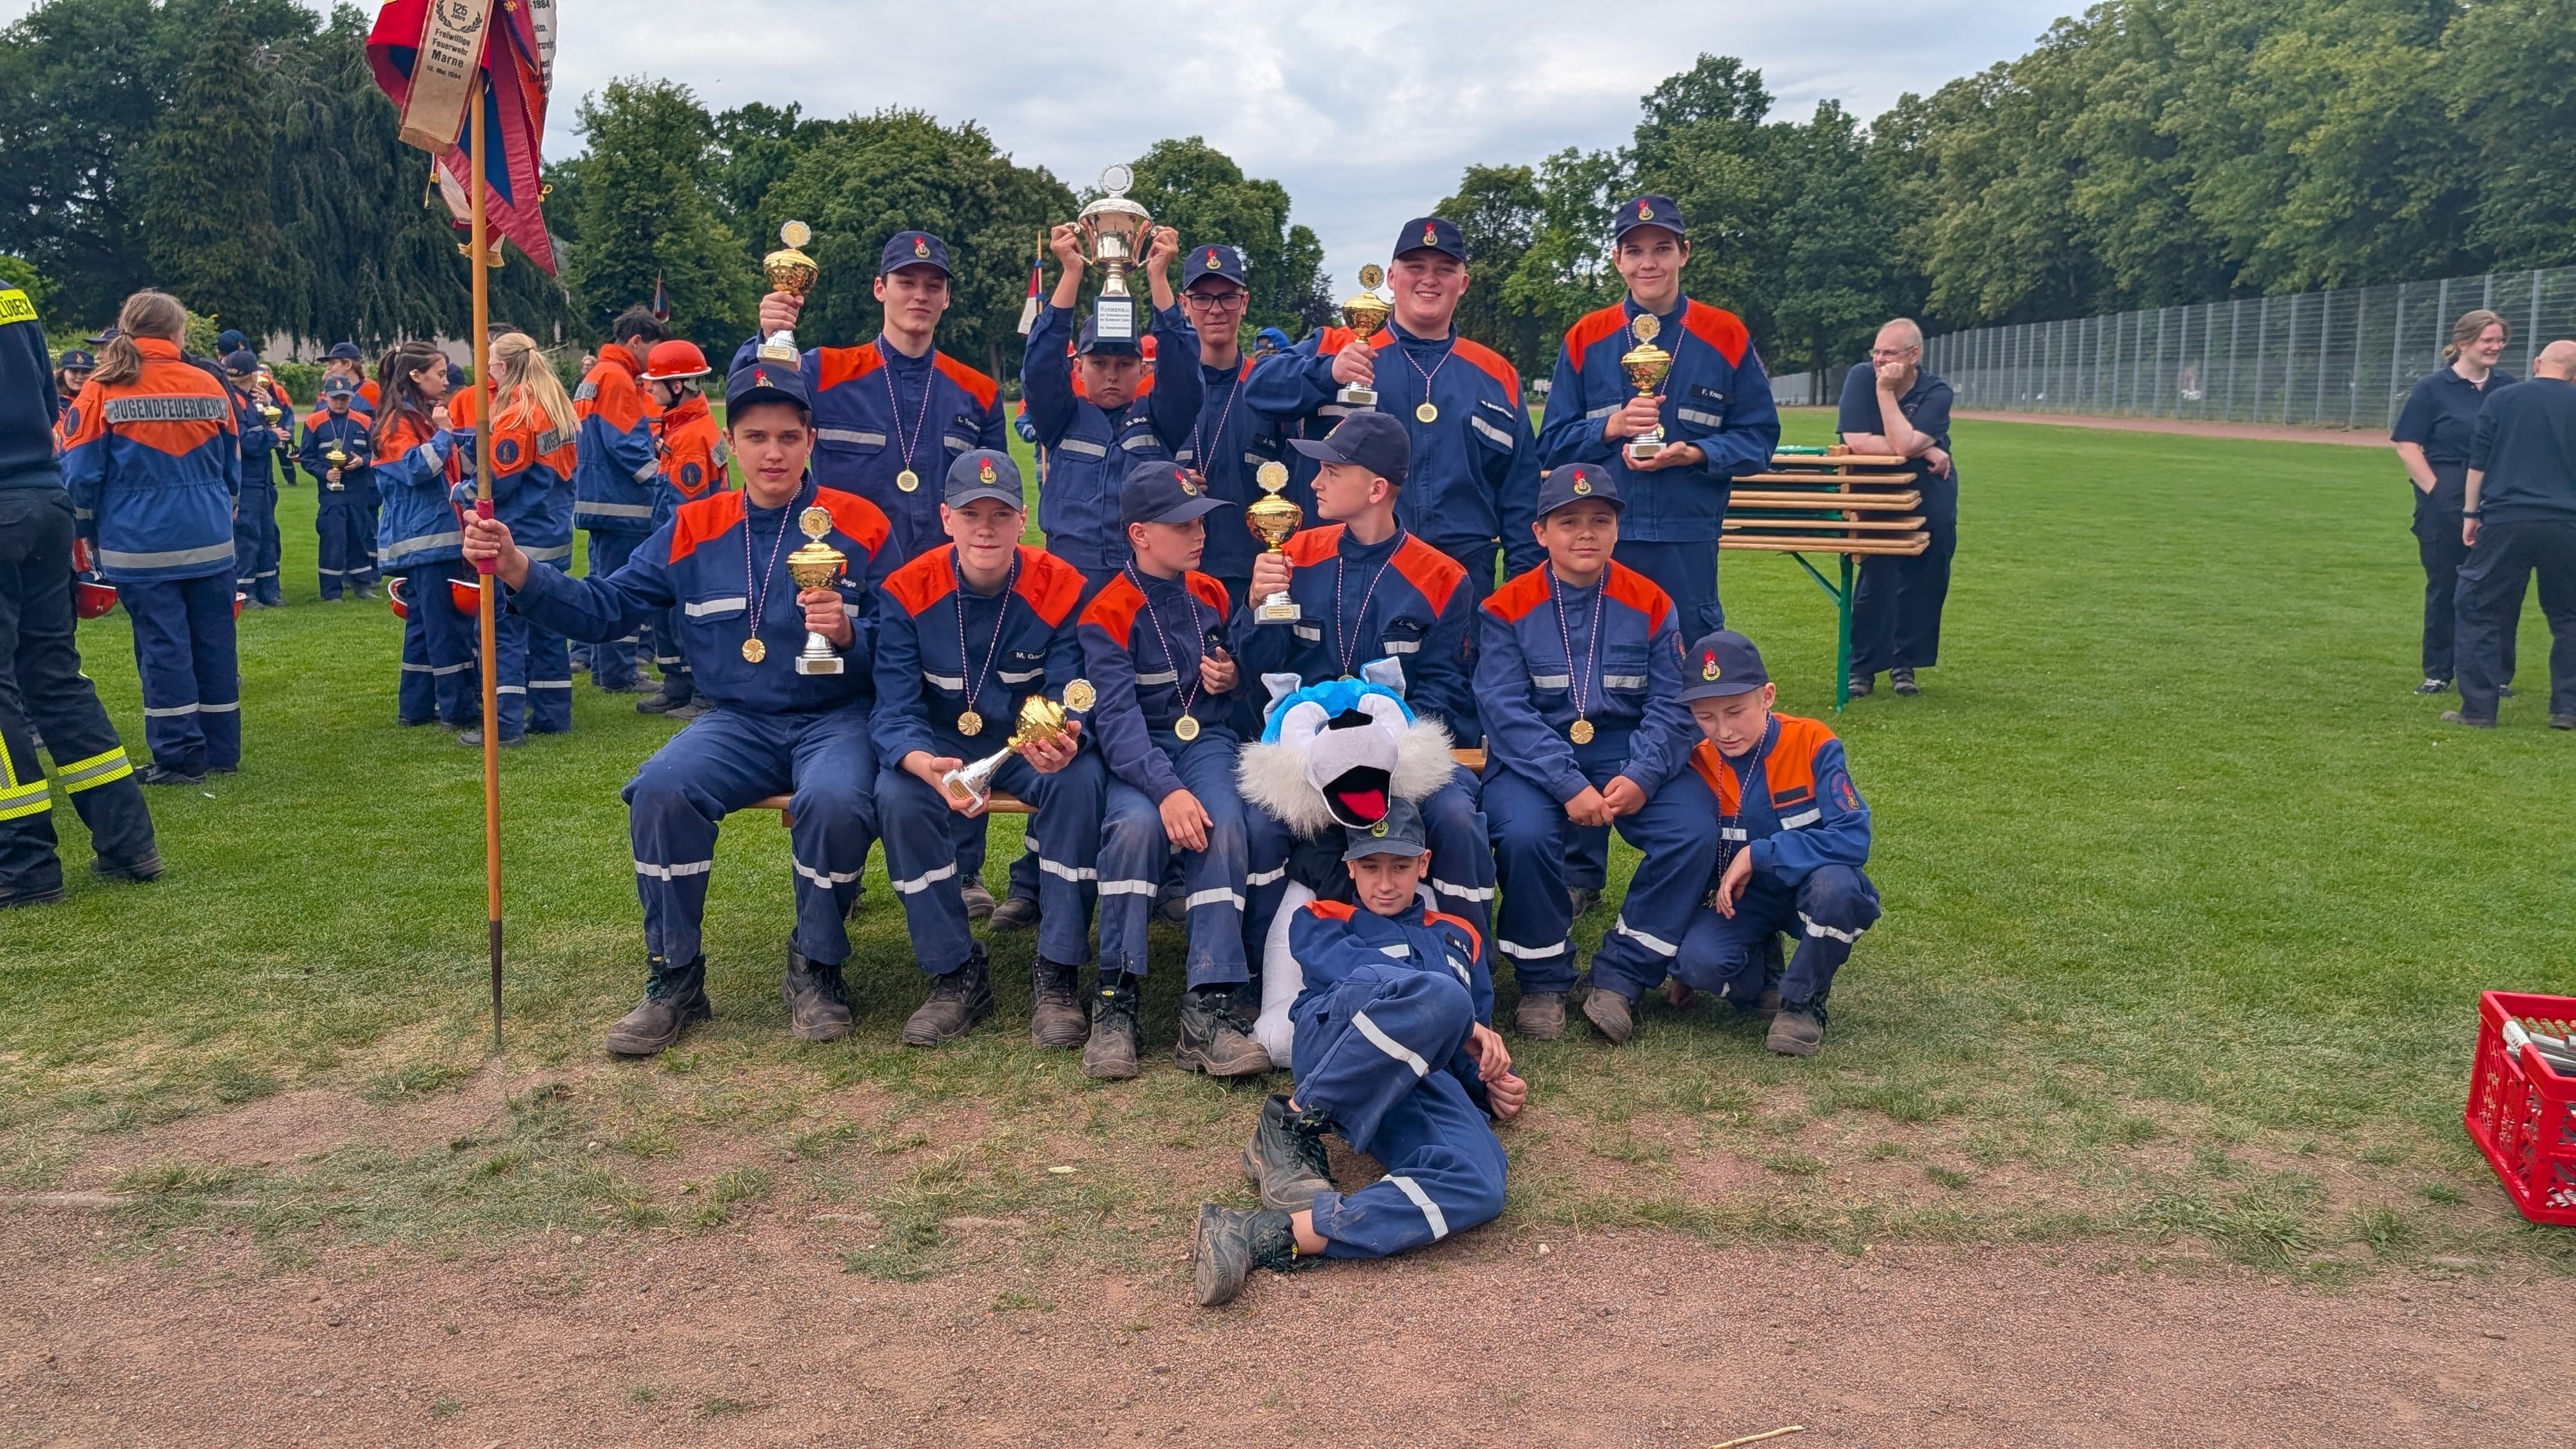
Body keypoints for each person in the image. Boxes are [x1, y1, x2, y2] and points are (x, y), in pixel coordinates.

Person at [461, 361, 893, 1054]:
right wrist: (519, 570)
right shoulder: (692, 526)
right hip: (736, 719)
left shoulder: (862, 524)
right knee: (661, 788)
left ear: (812, 439)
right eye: (756, 436)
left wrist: (851, 634)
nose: (773, 452)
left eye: (788, 435)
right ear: (730, 442)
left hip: (836, 716)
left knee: (837, 800)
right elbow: (607, 608)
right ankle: (676, 976)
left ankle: (817, 965)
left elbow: (903, 642)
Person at [1192, 797, 1522, 1307]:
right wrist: (1459, 1018)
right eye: (1370, 867)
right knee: (1438, 995)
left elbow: (1467, 1046)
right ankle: (1290, 1124)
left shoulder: (1463, 938)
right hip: (1340, 1041)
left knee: (1480, 1183)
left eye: (1400, 867)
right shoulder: (1322, 918)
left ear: (1425, 865)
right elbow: (1356, 983)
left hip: (1420, 1076)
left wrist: (1491, 1081)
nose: (1385, 883)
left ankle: (1262, 1233)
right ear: (1350, 867)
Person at [1232, 412, 1496, 969]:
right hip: (1298, 757)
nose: (1315, 482)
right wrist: (1257, 608)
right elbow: (1259, 672)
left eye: (1331, 470)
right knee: (1256, 823)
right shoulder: (1294, 552)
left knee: (1456, 816)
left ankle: (1466, 970)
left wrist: (1376, 756)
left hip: (1402, 756)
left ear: (1376, 488)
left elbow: (1447, 695)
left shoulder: (1444, 577)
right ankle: (1251, 976)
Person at [1476, 463, 1717, 1041]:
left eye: (1600, 521)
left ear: (1616, 531)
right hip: (1536, 757)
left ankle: (1623, 975)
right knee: (1526, 834)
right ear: (1540, 534)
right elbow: (1506, 711)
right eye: (1569, 522)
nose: (1585, 534)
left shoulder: (1653, 602)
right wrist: (1566, 785)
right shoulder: (1506, 607)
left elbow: (1672, 705)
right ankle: (1543, 980)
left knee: (1693, 830)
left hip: (1628, 752)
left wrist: (1642, 775)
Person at [873, 448, 1104, 1048]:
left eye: (999, 514)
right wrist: (919, 760)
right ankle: (955, 974)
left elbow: (1071, 688)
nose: (985, 527)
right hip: (939, 745)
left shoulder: (1061, 584)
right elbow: (895, 706)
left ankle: (1057, 971)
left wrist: (1065, 737)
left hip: (1025, 749)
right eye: (969, 512)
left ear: (1022, 518)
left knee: (1078, 782)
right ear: (945, 518)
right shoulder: (906, 589)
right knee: (898, 794)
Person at [1242, 215, 1538, 624]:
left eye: (1444, 270)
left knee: (1453, 687)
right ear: (1393, 277)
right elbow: (1257, 389)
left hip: (1461, 574)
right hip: (1346, 567)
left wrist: (1524, 587)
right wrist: (1328, 373)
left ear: (1463, 283)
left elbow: (1520, 493)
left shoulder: (1496, 373)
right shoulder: (1339, 344)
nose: (1429, 280)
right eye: (1416, 267)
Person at [1078, 461, 1267, 1080]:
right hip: (1141, 756)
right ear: (1139, 535)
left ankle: (1207, 1008)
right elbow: (1116, 721)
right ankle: (1116, 999)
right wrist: (1167, 792)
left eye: (1200, 520)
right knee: (1133, 831)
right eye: (1181, 523)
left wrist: (1231, 678)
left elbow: (1227, 701)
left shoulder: (1209, 592)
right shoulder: (1107, 610)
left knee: (1225, 824)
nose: (1198, 533)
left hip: (1204, 742)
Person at [1537, 195, 1781, 641]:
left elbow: (1759, 440)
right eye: (1634, 251)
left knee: (1686, 665)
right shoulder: (1586, 337)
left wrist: (1695, 453)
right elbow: (1551, 442)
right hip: (1601, 538)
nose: (1648, 264)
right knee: (1598, 659)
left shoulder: (1725, 334)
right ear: (1617, 260)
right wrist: (1611, 427)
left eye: (1662, 249)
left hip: (1686, 537)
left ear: (1684, 253)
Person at [0, 268, 160, 906]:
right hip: (43, 497)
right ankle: (128, 841)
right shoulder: (14, 299)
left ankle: (24, 863)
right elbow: (47, 403)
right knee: (54, 676)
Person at [1659, 629, 1879, 1056]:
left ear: (1768, 696)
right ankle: (1763, 976)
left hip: (1809, 887)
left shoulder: (1813, 741)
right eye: (1705, 717)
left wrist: (1759, 854)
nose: (1723, 731)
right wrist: (1684, 964)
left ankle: (1802, 1004)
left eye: (1735, 711)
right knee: (1698, 962)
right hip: (1744, 900)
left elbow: (1854, 838)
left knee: (1839, 890)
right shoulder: (1696, 758)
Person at [59, 292, 242, 786]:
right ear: (177, 333)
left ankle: (180, 754)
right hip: (210, 538)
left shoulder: (103, 389)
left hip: (140, 542)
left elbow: (79, 475)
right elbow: (232, 467)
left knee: (164, 647)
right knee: (216, 642)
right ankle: (222, 746)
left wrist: (86, 530)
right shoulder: (208, 383)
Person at [743, 230, 1010, 567]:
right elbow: (755, 400)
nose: (920, 296)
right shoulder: (824, 372)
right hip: (845, 574)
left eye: (933, 286)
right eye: (906, 282)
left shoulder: (978, 391)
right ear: (880, 289)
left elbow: (994, 497)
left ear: (947, 298)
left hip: (942, 582)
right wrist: (768, 337)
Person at [1022, 222, 1202, 583]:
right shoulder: (1061, 418)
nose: (1111, 375)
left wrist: (1158, 277)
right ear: (1079, 367)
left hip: (1146, 580)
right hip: (1073, 581)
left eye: (1124, 365)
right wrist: (1071, 272)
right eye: (1099, 363)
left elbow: (1183, 371)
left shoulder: (1160, 418)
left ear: (1142, 368)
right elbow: (1040, 366)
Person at [452, 333, 579, 746]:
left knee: (504, 631)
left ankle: (504, 725)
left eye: (490, 364)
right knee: (550, 626)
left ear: (504, 368)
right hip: (555, 533)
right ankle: (553, 713)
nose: (487, 372)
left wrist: (462, 491)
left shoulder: (517, 414)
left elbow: (499, 481)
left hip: (521, 538)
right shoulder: (558, 408)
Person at [2449, 339, 2576, 732]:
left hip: (2507, 518)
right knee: (2569, 616)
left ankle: (2480, 709)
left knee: (2479, 607)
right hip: (2568, 524)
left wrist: (2471, 513)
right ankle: (2568, 709)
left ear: (2538, 363)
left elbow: (2479, 463)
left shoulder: (2503, 399)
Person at [2395, 310, 2524, 696]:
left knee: (2503, 586)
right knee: (2445, 584)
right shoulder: (2433, 389)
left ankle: (2496, 673)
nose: (2496, 347)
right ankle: (2439, 669)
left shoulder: (2508, 388)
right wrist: (2437, 492)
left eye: (2500, 340)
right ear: (2464, 341)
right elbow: (2407, 446)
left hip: (2497, 500)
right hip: (2445, 500)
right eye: (2488, 340)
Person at [1839, 319, 1958, 698]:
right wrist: (1926, 447)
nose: (1879, 360)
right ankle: (1863, 667)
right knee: (1877, 572)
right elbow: (1857, 441)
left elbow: (1905, 445)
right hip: (1875, 488)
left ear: (1913, 355)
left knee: (1928, 571)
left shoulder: (1936, 391)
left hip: (1929, 488)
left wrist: (1887, 395)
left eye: (1888, 353)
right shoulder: (1860, 377)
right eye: (1876, 351)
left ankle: (1906, 663)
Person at [1176, 243, 1287, 611]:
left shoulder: (1271, 390)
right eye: (1203, 298)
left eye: (1228, 297)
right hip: (1175, 575)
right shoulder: (1159, 392)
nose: (1216, 310)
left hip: (1253, 577)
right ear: (1184, 304)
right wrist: (1169, 480)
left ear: (1245, 301)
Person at [372, 342, 477, 731]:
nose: (445, 379)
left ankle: (415, 707)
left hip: (429, 536)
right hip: (425, 540)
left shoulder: (416, 418)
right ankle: (459, 710)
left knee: (422, 626)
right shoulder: (397, 422)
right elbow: (417, 469)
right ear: (415, 376)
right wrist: (446, 434)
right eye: (439, 372)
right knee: (446, 627)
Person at [574, 307, 671, 696]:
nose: (656, 360)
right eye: (654, 349)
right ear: (636, 341)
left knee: (603, 584)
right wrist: (661, 478)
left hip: (599, 497)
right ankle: (618, 673)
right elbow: (626, 444)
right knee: (622, 588)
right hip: (622, 502)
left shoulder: (596, 375)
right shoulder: (616, 379)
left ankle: (605, 668)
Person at [636, 339, 728, 720]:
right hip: (685, 542)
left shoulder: (690, 437)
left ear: (678, 386)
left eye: (655, 383)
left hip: (687, 544)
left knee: (689, 620)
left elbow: (683, 510)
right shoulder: (686, 426)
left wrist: (665, 552)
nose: (648, 388)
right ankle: (677, 686)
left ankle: (703, 695)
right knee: (669, 617)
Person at [301, 376, 380, 601]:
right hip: (331, 494)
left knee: (360, 535)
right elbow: (306, 457)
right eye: (335, 398)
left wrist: (362, 462)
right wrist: (324, 473)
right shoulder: (314, 422)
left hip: (358, 490)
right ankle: (331, 591)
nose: (339, 403)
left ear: (351, 398)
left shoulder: (364, 421)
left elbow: (376, 451)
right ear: (325, 397)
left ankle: (363, 585)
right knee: (333, 539)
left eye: (344, 398)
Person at [222, 350, 288, 610]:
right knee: (247, 536)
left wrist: (269, 403)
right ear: (253, 374)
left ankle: (268, 588)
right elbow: (245, 441)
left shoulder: (249, 400)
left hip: (262, 481)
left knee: (268, 535)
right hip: (246, 480)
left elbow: (274, 419)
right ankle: (245, 591)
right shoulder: (235, 403)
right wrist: (273, 438)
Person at [321, 342, 379, 415]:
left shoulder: (372, 392)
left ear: (348, 365)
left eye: (333, 363)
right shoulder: (326, 394)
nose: (328, 369)